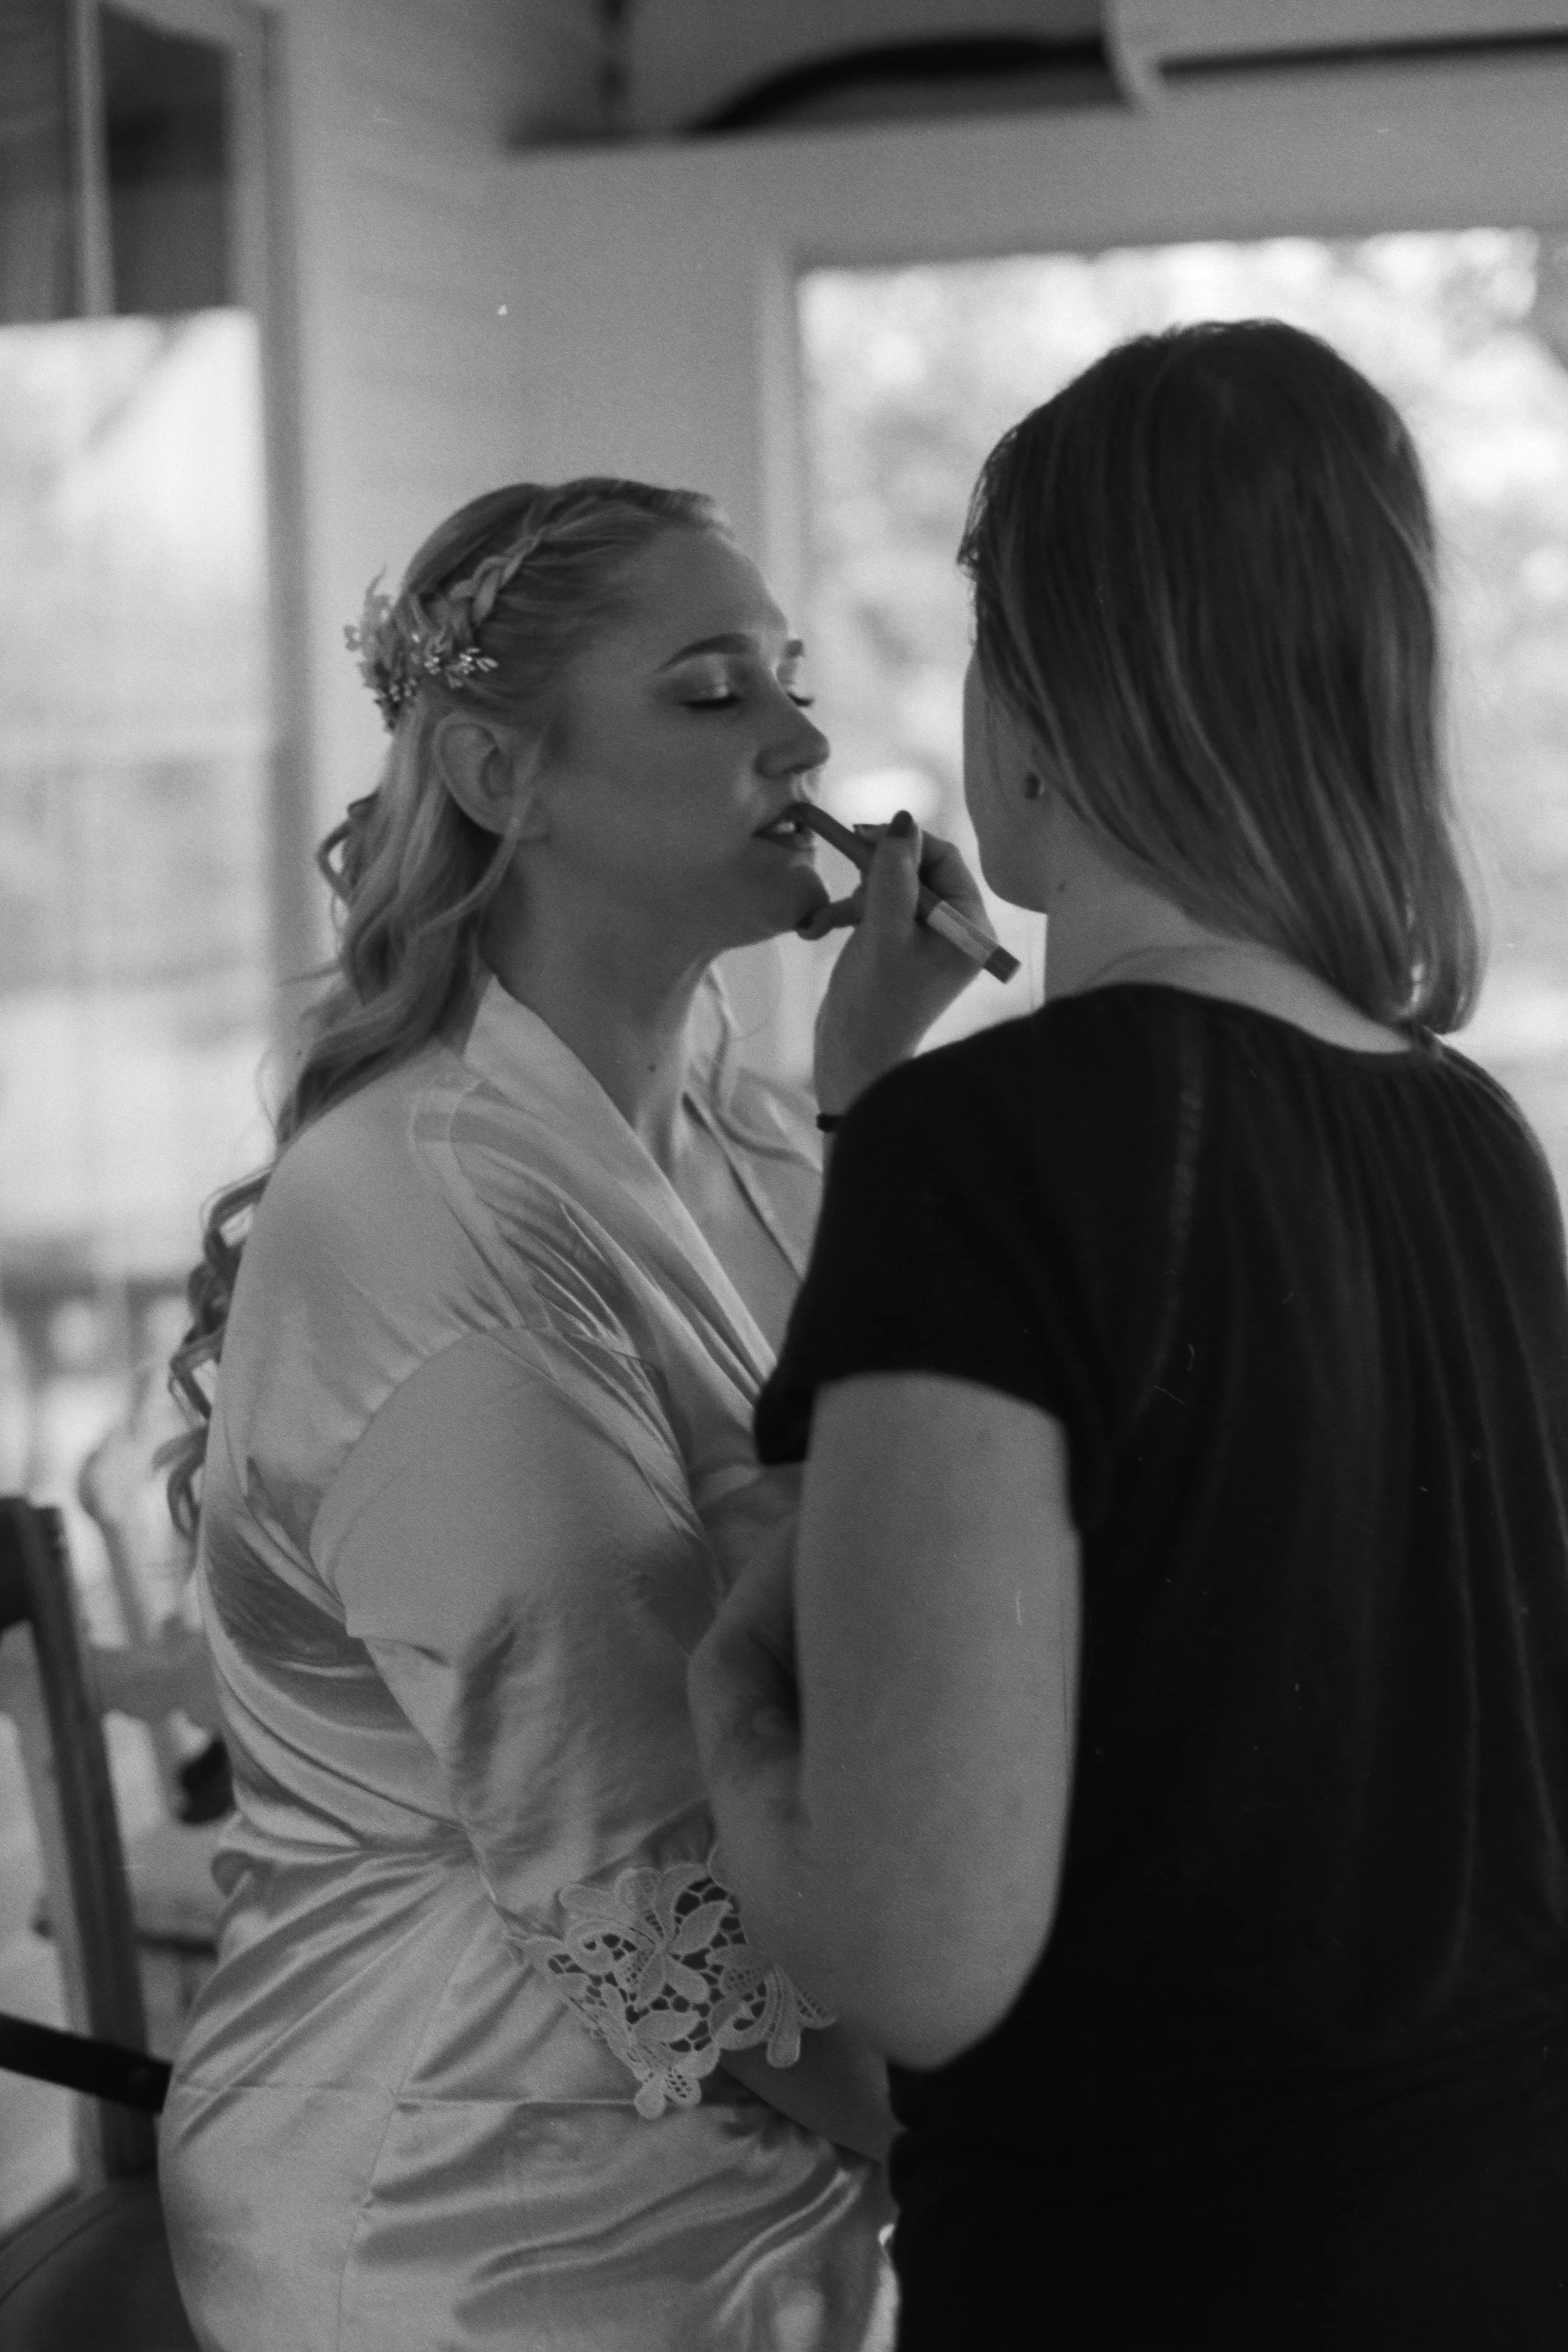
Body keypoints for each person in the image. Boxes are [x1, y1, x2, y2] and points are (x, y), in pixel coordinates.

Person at [689, 321, 1568, 2350]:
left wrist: (731, 1694)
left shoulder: (997, 1151)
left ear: (1051, 709)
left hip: (1170, 2271)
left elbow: (916, 1953)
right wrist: (868, 1110)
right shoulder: (1467, 1131)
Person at [156, 476, 989, 2351]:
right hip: (481, 2202)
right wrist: (1023, 2143)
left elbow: (903, 1534)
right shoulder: (412, 1215)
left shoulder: (769, 1129)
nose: (802, 735)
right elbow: (644, 1832)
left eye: (786, 679)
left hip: (783, 2138)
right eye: (710, 693)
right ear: (490, 769)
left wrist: (878, 1098)